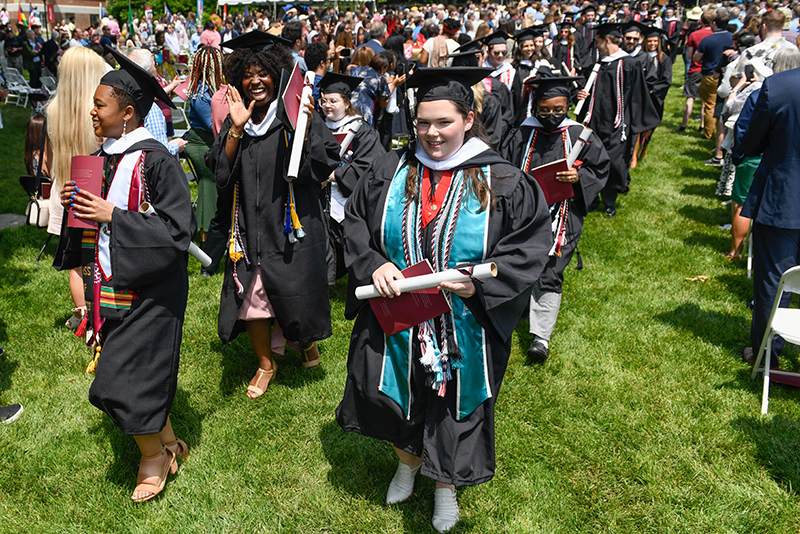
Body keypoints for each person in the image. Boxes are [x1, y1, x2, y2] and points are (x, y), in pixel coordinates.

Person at [335, 67, 553, 533]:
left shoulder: (501, 178)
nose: (432, 134)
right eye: (423, 123)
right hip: (396, 311)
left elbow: (528, 246)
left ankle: (445, 487)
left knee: (455, 405)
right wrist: (375, 262)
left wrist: (481, 285)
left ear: (468, 119)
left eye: (444, 122)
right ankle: (408, 462)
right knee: (384, 394)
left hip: (464, 320)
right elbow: (354, 221)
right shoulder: (391, 169)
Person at [55, 48, 194, 503]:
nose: (91, 111)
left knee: (118, 381)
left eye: (100, 105)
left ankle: (152, 458)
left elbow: (177, 232)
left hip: (154, 289)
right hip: (113, 285)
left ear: (128, 114)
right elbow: (92, 228)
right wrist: (79, 203)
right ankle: (170, 445)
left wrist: (112, 213)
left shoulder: (156, 161)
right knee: (143, 375)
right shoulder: (103, 157)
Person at [206, 31, 340, 399]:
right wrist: (234, 128)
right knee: (253, 299)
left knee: (296, 291)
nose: (255, 80)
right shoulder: (241, 120)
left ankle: (303, 339)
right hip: (251, 224)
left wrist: (306, 125)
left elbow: (323, 162)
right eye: (247, 74)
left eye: (263, 72)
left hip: (292, 225)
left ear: (277, 74)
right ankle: (266, 363)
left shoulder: (296, 112)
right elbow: (219, 171)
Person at [502, 66, 609, 362]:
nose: (551, 116)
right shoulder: (522, 133)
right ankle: (518, 311)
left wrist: (579, 179)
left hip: (564, 215)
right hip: (522, 215)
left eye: (558, 109)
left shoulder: (579, 136)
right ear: (535, 107)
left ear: (568, 106)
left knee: (551, 271)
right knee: (520, 263)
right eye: (544, 110)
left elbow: (600, 168)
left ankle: (541, 337)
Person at [739, 51, 800, 369]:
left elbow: (751, 142)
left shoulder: (778, 86)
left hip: (783, 198)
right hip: (783, 198)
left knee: (774, 284)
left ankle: (766, 356)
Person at [45, 47, 107, 330]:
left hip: (64, 190)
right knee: (96, 255)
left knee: (74, 259)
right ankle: (96, 313)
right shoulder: (97, 113)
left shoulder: (53, 110)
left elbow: (46, 164)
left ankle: (82, 312)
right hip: (94, 191)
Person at [576, 23, 660, 217]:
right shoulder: (596, 66)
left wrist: (639, 125)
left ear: (606, 41)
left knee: (614, 162)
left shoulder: (629, 64)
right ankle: (593, 197)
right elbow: (585, 92)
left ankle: (609, 201)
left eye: (597, 42)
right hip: (595, 122)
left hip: (618, 125)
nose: (595, 46)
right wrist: (579, 96)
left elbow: (639, 95)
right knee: (591, 160)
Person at [318, 72, 385, 283]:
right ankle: (323, 282)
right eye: (324, 100)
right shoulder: (316, 127)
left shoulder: (361, 130)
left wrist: (334, 175)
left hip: (348, 199)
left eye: (333, 101)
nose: (328, 105)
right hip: (321, 198)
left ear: (347, 103)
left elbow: (370, 165)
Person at [185, 46, 224, 247]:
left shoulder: (213, 89)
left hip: (212, 142)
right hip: (201, 143)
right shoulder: (200, 94)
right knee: (208, 184)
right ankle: (207, 237)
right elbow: (212, 125)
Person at [694, 11, 732, 141]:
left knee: (709, 105)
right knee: (724, 106)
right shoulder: (732, 38)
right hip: (728, 76)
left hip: (710, 74)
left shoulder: (708, 39)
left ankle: (708, 134)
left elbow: (696, 58)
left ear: (714, 23)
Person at [636, 25, 672, 162]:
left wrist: (652, 90)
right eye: (650, 41)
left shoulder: (664, 59)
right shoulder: (640, 58)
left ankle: (645, 146)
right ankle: (635, 148)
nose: (652, 44)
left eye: (655, 41)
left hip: (655, 98)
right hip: (640, 97)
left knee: (651, 125)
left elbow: (667, 80)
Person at [680, 9, 712, 132]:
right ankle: (703, 125)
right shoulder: (715, 35)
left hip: (695, 69)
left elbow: (689, 56)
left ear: (701, 21)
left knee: (690, 97)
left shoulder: (695, 34)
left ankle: (684, 124)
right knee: (705, 101)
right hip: (710, 70)